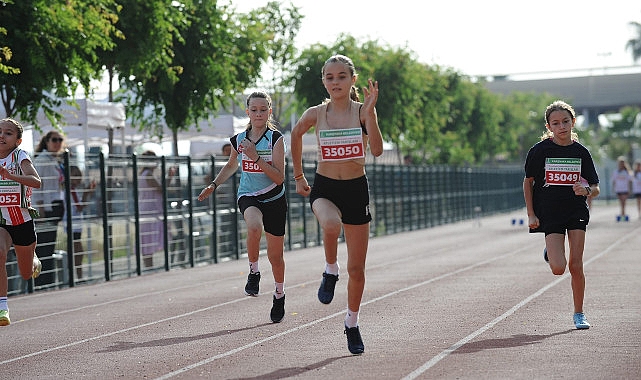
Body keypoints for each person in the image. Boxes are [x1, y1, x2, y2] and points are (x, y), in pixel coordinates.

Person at [290, 54, 383, 354]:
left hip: (356, 189)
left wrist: (369, 115)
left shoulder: (362, 111)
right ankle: (330, 268)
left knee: (357, 269)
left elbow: (378, 151)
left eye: (342, 76)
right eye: (330, 77)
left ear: (352, 80)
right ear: (323, 82)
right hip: (325, 187)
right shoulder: (316, 113)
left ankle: (351, 323)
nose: (335, 82)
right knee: (330, 225)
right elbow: (294, 134)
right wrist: (298, 175)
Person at [198, 91, 288, 323]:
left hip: (274, 198)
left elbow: (279, 178)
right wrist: (214, 185)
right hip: (248, 195)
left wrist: (257, 158)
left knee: (276, 257)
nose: (258, 113)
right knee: (254, 226)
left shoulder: (275, 139)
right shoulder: (239, 139)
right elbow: (231, 166)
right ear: (247, 112)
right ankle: (254, 272)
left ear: (269, 111)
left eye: (263, 109)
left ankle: (279, 293)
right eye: (254, 110)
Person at [523, 100, 600, 330]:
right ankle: (551, 250)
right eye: (556, 123)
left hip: (576, 210)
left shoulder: (581, 152)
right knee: (558, 268)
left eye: (565, 121)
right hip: (549, 212)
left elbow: (595, 187)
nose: (562, 126)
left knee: (576, 265)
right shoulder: (539, 152)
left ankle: (579, 313)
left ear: (573, 122)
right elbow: (528, 183)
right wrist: (531, 214)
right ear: (549, 127)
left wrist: (586, 190)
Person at [0, 118, 43, 326]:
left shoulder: (20, 156)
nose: (2, 135)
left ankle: (33, 257)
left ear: (17, 141)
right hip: (1, 221)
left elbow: (37, 182)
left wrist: (11, 176)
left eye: (8, 133)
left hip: (22, 220)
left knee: (26, 274)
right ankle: (2, 308)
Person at [32, 130, 66, 286]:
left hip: (55, 207)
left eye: (60, 139)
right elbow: (36, 188)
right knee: (44, 248)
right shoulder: (42, 160)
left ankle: (48, 282)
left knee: (49, 246)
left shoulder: (54, 160)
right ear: (46, 141)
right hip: (46, 209)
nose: (57, 143)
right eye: (54, 139)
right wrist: (41, 212)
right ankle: (41, 284)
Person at [138, 150, 175, 268]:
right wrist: (169, 176)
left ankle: (150, 266)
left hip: (150, 209)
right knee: (149, 239)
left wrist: (169, 177)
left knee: (149, 238)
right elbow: (161, 189)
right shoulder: (148, 175)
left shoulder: (145, 174)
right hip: (150, 210)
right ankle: (149, 267)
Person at [65, 165, 96, 279]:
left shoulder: (73, 190)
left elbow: (80, 205)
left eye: (79, 176)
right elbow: (79, 207)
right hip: (73, 223)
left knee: (76, 250)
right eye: (75, 176)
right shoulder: (71, 190)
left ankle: (77, 275)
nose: (78, 179)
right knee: (78, 251)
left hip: (76, 223)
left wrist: (87, 192)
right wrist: (87, 193)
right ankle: (77, 276)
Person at [611, 156, 632, 221]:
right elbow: (614, 181)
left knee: (624, 201)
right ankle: (622, 213)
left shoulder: (627, 172)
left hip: (625, 189)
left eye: (623, 163)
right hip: (618, 189)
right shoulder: (616, 172)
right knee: (621, 202)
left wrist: (629, 189)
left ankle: (623, 213)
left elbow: (629, 181)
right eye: (620, 163)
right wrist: (613, 188)